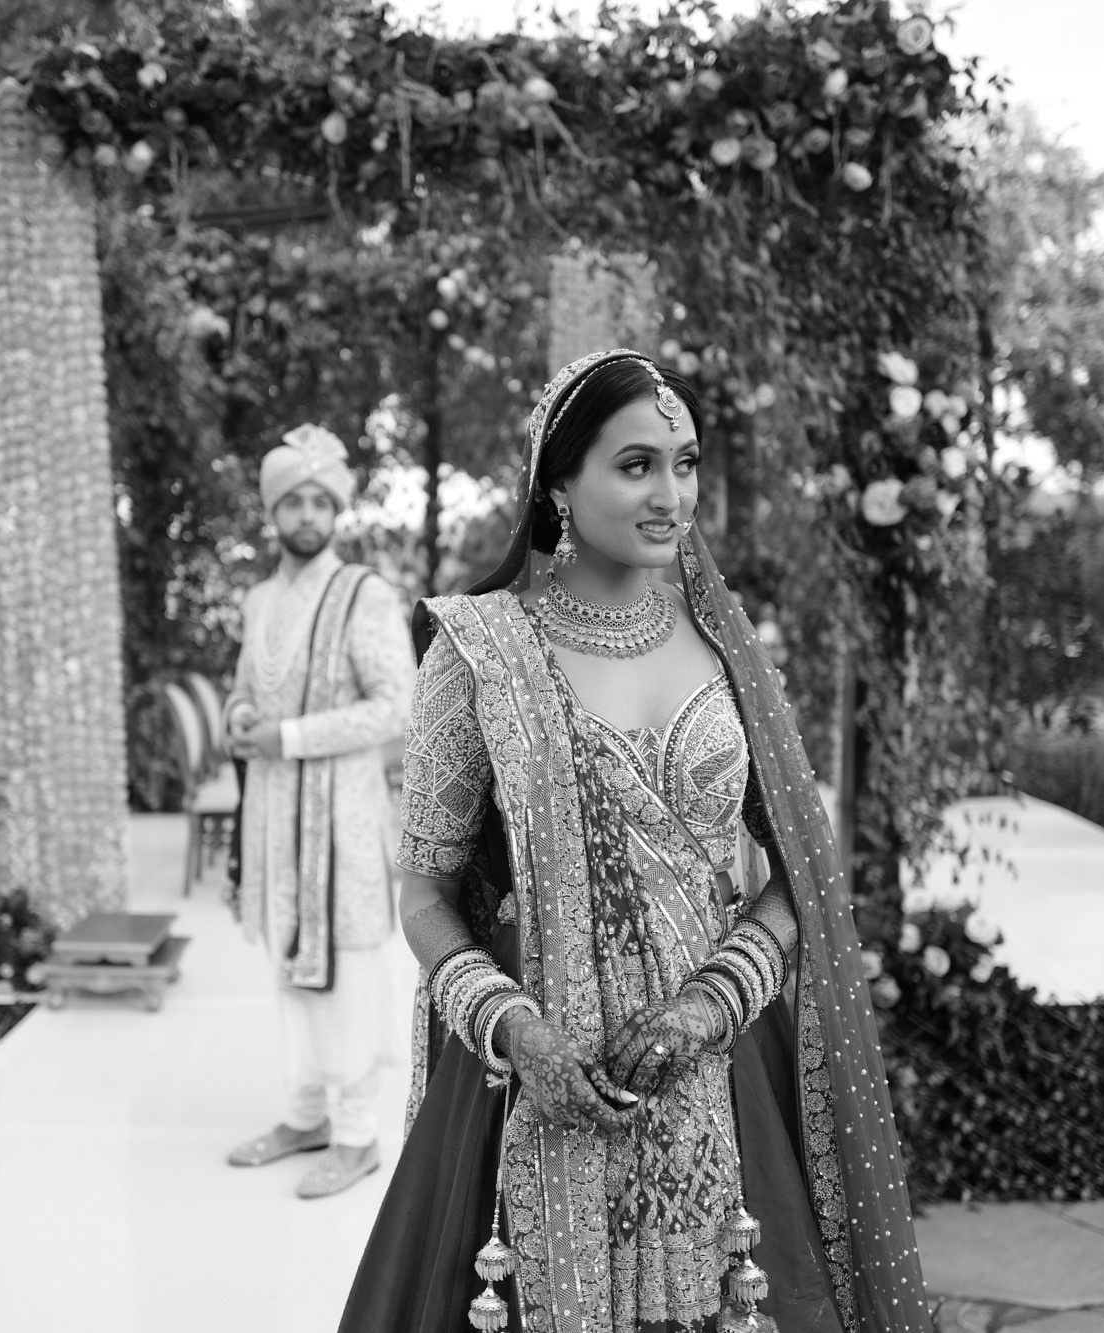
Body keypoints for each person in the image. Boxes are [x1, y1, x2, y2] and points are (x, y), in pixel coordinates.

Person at [339, 352, 930, 1331]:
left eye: (684, 463)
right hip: (532, 1074)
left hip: (713, 1072)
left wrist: (712, 1001)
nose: (671, 495)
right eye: (636, 465)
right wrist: (513, 1027)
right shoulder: (477, 650)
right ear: (557, 485)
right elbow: (425, 890)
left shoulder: (729, 649)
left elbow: (802, 876)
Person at [222, 423, 416, 1200]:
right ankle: (304, 1115)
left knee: (350, 969)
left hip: (340, 817)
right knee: (287, 957)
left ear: (335, 510)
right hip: (274, 813)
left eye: (319, 500)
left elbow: (398, 705)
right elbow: (247, 686)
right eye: (292, 500)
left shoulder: (363, 593)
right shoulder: (260, 599)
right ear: (272, 511)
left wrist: (291, 736)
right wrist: (241, 714)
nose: (306, 513)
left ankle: (358, 1135)